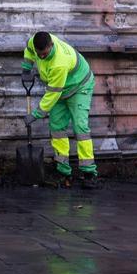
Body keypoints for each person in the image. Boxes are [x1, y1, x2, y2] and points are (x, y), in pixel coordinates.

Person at [22, 31, 99, 188]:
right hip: (58, 89)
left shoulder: (59, 62)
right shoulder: (33, 42)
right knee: (56, 128)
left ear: (51, 45)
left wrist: (36, 114)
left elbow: (52, 93)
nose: (41, 57)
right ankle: (63, 170)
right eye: (39, 54)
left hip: (79, 86)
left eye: (44, 54)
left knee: (80, 127)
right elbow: (29, 50)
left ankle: (89, 172)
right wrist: (26, 67)